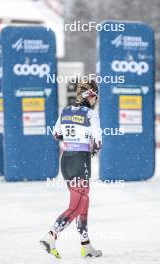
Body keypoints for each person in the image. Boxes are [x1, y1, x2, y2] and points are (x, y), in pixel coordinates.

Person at [40, 79, 102, 258]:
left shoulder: (65, 110)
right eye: (95, 97)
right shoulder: (91, 114)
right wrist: (93, 148)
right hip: (80, 160)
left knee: (84, 203)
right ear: (89, 95)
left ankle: (86, 246)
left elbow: (56, 134)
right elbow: (98, 142)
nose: (95, 101)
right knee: (77, 205)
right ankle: (50, 237)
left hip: (66, 160)